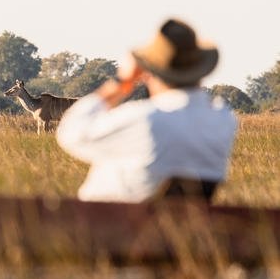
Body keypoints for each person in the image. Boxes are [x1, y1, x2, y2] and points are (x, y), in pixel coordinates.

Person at [56, 18, 238, 202]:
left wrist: (120, 84)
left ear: (149, 72)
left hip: (112, 226)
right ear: (200, 70)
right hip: (191, 229)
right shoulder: (223, 120)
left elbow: (70, 134)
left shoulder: (145, 119)